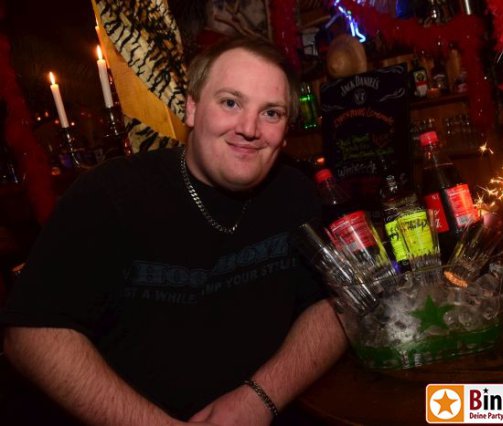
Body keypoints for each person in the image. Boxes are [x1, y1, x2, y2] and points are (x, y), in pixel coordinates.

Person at [0, 37, 347, 425]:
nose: (249, 128)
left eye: (271, 112)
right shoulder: (110, 196)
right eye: (230, 103)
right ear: (192, 108)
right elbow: (31, 334)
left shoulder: (294, 192)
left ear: (285, 130)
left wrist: (259, 399)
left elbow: (334, 305)